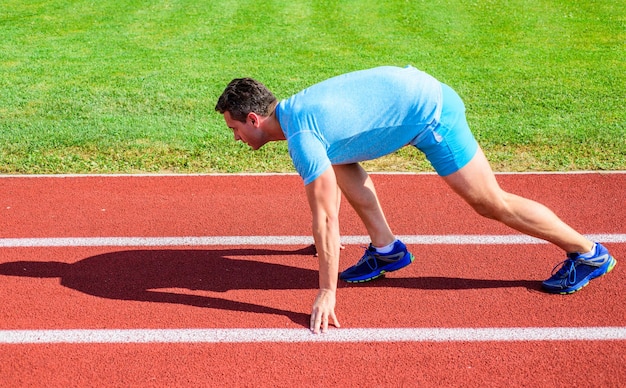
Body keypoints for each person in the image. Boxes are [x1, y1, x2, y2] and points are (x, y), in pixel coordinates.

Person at [215, 65, 616, 334]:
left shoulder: (302, 138)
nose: (235, 138)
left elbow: (325, 219)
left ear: (254, 119)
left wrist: (327, 291)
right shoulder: (299, 115)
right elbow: (331, 199)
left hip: (432, 113)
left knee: (490, 202)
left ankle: (587, 252)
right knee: (338, 159)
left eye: (234, 128)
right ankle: (387, 249)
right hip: (413, 91)